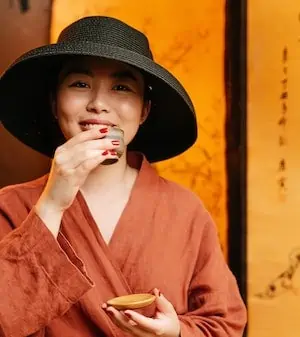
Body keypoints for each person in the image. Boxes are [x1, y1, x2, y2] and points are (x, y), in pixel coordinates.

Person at [0, 16, 247, 337]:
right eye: (79, 84)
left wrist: (176, 333)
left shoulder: (185, 210)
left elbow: (224, 324)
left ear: (144, 110)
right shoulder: (10, 205)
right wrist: (51, 205)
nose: (98, 104)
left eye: (121, 87)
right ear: (53, 102)